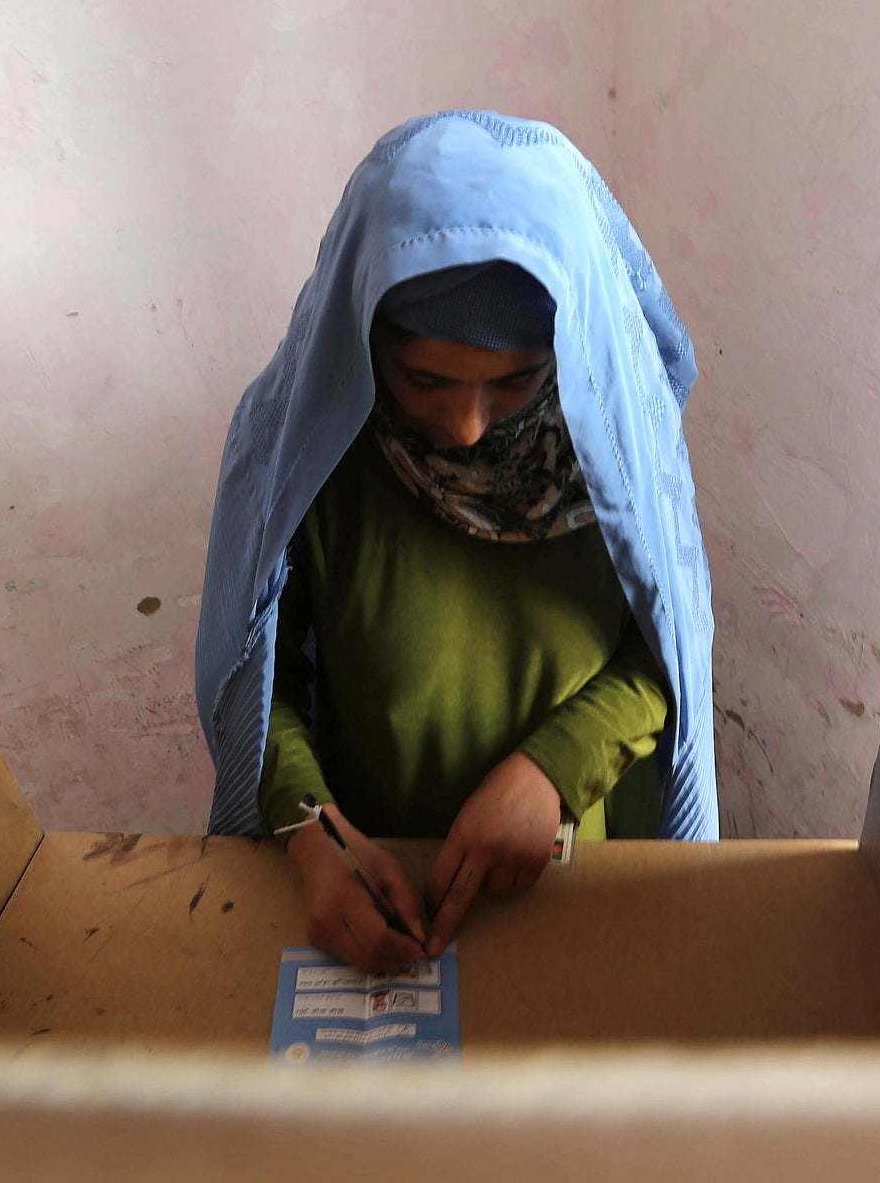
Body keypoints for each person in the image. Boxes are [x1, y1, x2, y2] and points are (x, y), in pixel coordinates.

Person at [194, 111, 716, 974]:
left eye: (515, 382)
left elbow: (668, 656)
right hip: (369, 866)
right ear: (363, 339)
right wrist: (314, 833)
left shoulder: (617, 450)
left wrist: (554, 770)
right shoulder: (315, 456)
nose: (468, 429)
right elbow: (259, 683)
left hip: (567, 865)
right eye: (423, 379)